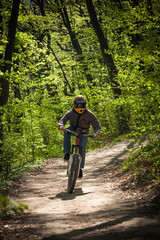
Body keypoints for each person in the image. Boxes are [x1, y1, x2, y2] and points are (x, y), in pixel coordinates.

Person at [58, 95, 101, 178]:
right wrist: (61, 126)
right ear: (75, 104)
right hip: (73, 129)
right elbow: (62, 120)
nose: (80, 107)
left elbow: (96, 125)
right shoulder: (71, 112)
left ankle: (80, 168)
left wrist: (96, 133)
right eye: (78, 105)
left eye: (82, 105)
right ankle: (67, 153)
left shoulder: (89, 114)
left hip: (84, 131)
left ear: (85, 104)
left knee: (82, 147)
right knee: (66, 132)